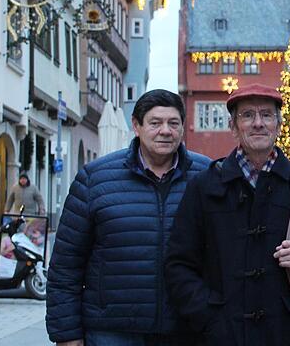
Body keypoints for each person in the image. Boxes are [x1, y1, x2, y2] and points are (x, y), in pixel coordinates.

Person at [165, 83, 290, 345]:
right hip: (221, 334)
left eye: (266, 115)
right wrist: (208, 315)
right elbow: (179, 264)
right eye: (248, 115)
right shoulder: (204, 185)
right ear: (233, 127)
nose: (258, 123)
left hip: (283, 333)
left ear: (277, 125)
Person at [46, 89, 211, 346]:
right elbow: (66, 266)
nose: (165, 130)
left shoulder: (207, 176)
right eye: (155, 123)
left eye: (173, 123)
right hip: (111, 330)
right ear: (137, 125)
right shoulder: (95, 179)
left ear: (182, 127)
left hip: (186, 328)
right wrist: (67, 334)